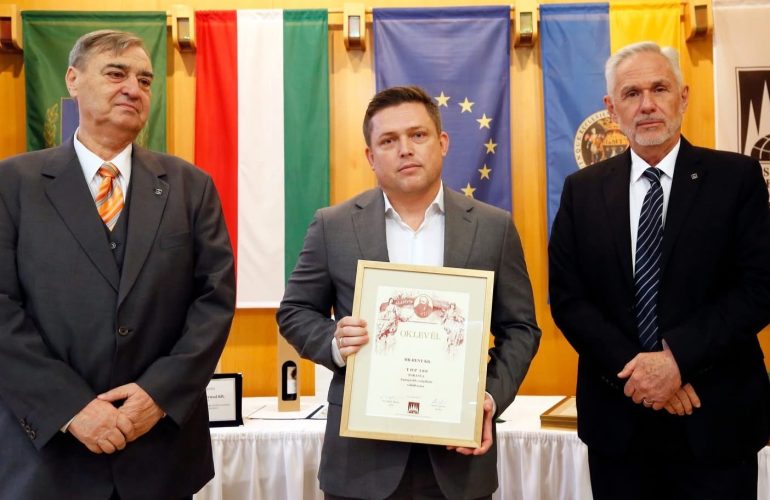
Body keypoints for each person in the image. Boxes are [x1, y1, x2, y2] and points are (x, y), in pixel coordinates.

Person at [0, 30, 236, 499]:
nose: (133, 88)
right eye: (116, 73)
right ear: (73, 79)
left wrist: (158, 395)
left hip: (160, 456)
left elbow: (213, 304)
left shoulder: (191, 187)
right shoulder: (13, 185)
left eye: (145, 80)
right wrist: (70, 408)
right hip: (46, 459)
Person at [277, 85, 541, 499]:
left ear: (442, 142)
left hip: (458, 460)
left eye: (417, 135)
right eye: (388, 140)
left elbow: (520, 328)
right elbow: (294, 311)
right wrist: (334, 341)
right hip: (361, 463)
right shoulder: (333, 225)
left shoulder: (493, 227)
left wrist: (488, 396)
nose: (405, 149)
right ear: (370, 157)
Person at [549, 41, 770, 500]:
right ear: (612, 108)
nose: (647, 104)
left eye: (660, 89)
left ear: (683, 97)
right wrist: (643, 375)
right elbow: (569, 300)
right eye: (631, 93)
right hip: (619, 426)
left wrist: (676, 361)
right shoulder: (581, 191)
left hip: (715, 420)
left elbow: (759, 288)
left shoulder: (737, 179)